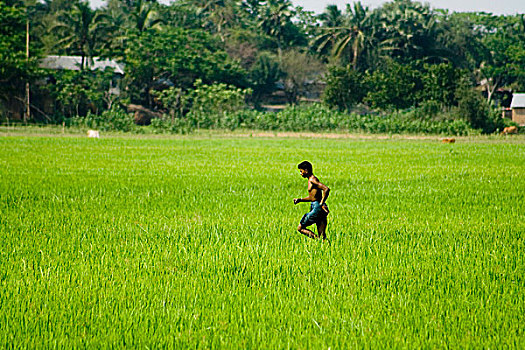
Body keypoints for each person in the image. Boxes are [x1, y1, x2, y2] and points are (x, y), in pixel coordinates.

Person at [293, 161, 330, 239]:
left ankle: (317, 240)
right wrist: (300, 200)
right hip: (318, 207)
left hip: (316, 207)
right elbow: (312, 197)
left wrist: (321, 203)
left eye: (301, 171)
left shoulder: (312, 180)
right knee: (322, 235)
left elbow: (326, 189)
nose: (300, 173)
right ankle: (323, 244)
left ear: (306, 170)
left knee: (300, 228)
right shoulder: (311, 180)